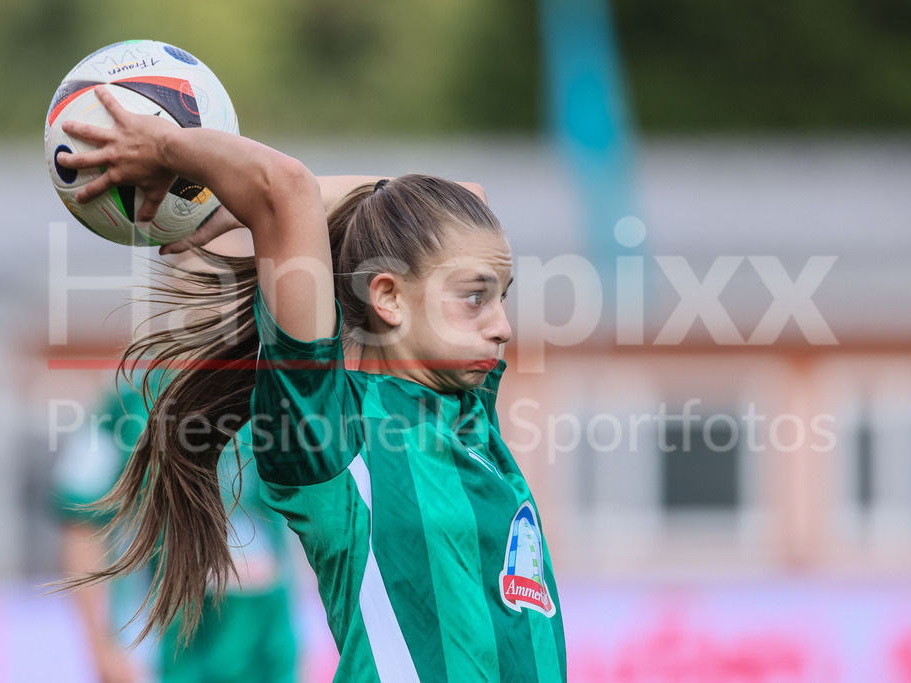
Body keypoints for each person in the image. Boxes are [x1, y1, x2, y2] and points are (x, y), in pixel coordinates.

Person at [57, 84, 567, 682]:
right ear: (388, 297)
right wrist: (171, 147)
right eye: (476, 297)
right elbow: (285, 187)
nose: (503, 326)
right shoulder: (327, 427)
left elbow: (464, 201)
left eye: (501, 297)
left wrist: (227, 210)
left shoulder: (467, 412)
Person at [53, 376, 299, 683]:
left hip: (264, 644)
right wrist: (103, 647)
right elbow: (81, 525)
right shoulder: (126, 402)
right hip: (161, 650)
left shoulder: (269, 389)